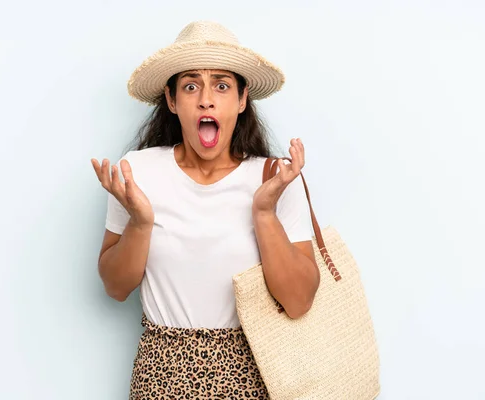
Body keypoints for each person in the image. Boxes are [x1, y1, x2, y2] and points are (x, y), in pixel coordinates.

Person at [91, 20, 320, 399]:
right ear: (172, 99)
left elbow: (299, 303)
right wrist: (140, 223)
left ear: (242, 99)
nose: (206, 100)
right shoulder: (138, 172)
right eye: (191, 85)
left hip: (254, 377)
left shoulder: (273, 178)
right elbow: (115, 287)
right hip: (160, 378)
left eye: (222, 85)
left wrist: (264, 213)